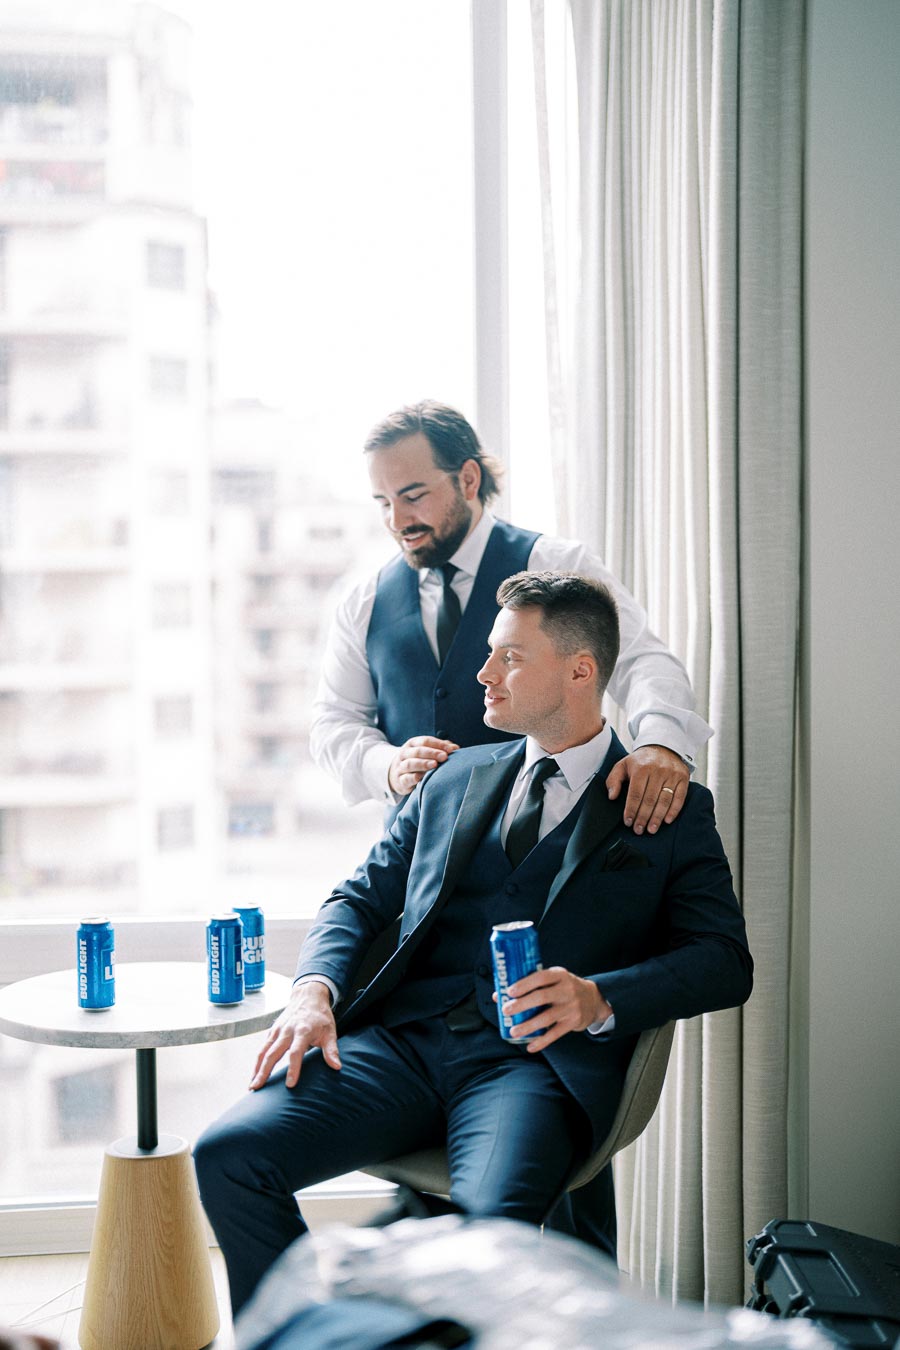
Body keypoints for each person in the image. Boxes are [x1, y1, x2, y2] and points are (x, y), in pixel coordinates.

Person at [195, 572, 752, 1316]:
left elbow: (724, 962)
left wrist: (598, 998)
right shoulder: (451, 776)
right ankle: (302, 1337)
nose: (484, 674)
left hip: (530, 1072)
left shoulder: (667, 806)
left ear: (580, 671)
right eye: (490, 653)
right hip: (399, 1048)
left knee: (490, 1247)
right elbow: (358, 900)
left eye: (510, 658)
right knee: (229, 1155)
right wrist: (313, 990)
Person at [310, 399, 712, 836]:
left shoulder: (558, 564)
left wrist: (661, 743)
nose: (397, 519)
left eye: (413, 496)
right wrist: (386, 766)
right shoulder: (362, 602)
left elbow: (641, 661)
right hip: (418, 863)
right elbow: (334, 721)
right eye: (383, 502)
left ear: (468, 479)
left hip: (548, 850)